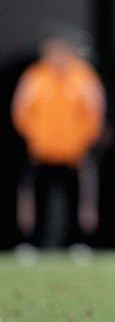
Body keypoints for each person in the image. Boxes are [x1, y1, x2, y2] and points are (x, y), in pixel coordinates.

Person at [12, 29, 105, 248]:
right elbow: (21, 112)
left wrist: (82, 141)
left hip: (73, 152)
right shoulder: (35, 77)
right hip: (42, 151)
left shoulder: (82, 76)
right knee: (37, 199)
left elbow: (94, 112)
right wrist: (35, 137)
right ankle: (32, 242)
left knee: (77, 200)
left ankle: (78, 241)